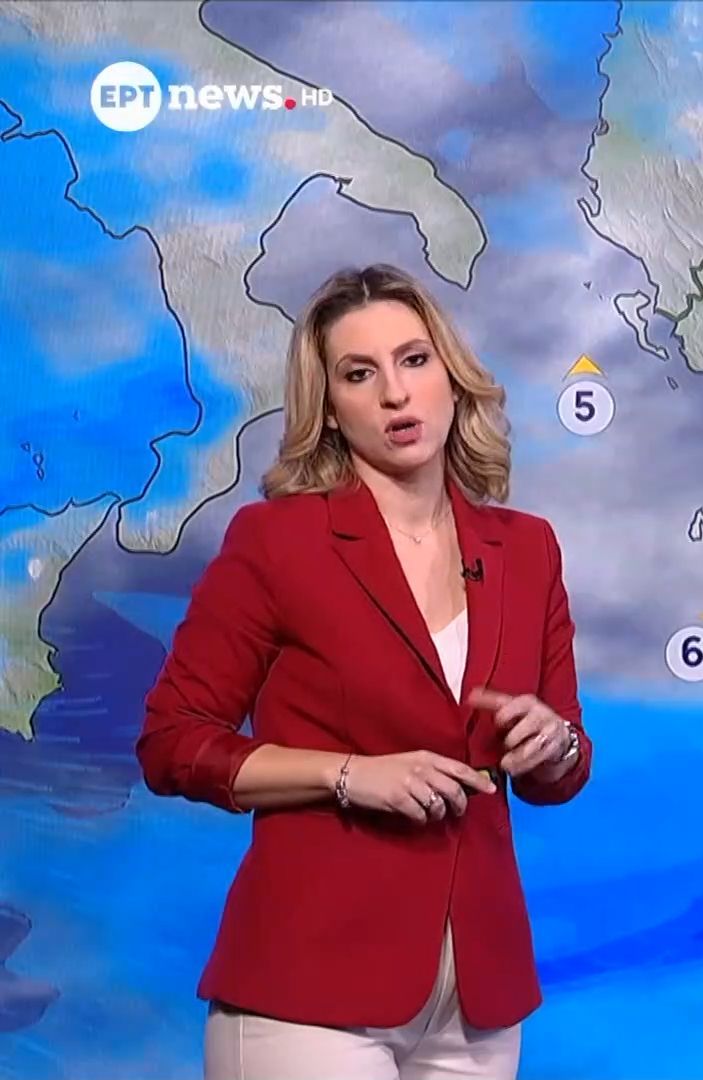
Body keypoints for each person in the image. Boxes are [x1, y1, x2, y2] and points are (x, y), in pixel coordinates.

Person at [136, 263, 593, 1080]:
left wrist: (551, 741)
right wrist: (348, 775)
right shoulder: (278, 543)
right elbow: (174, 743)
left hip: (477, 1004)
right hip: (309, 986)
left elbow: (563, 765)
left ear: (452, 377)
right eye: (359, 374)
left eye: (414, 360)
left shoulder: (527, 550)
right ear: (330, 410)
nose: (395, 393)